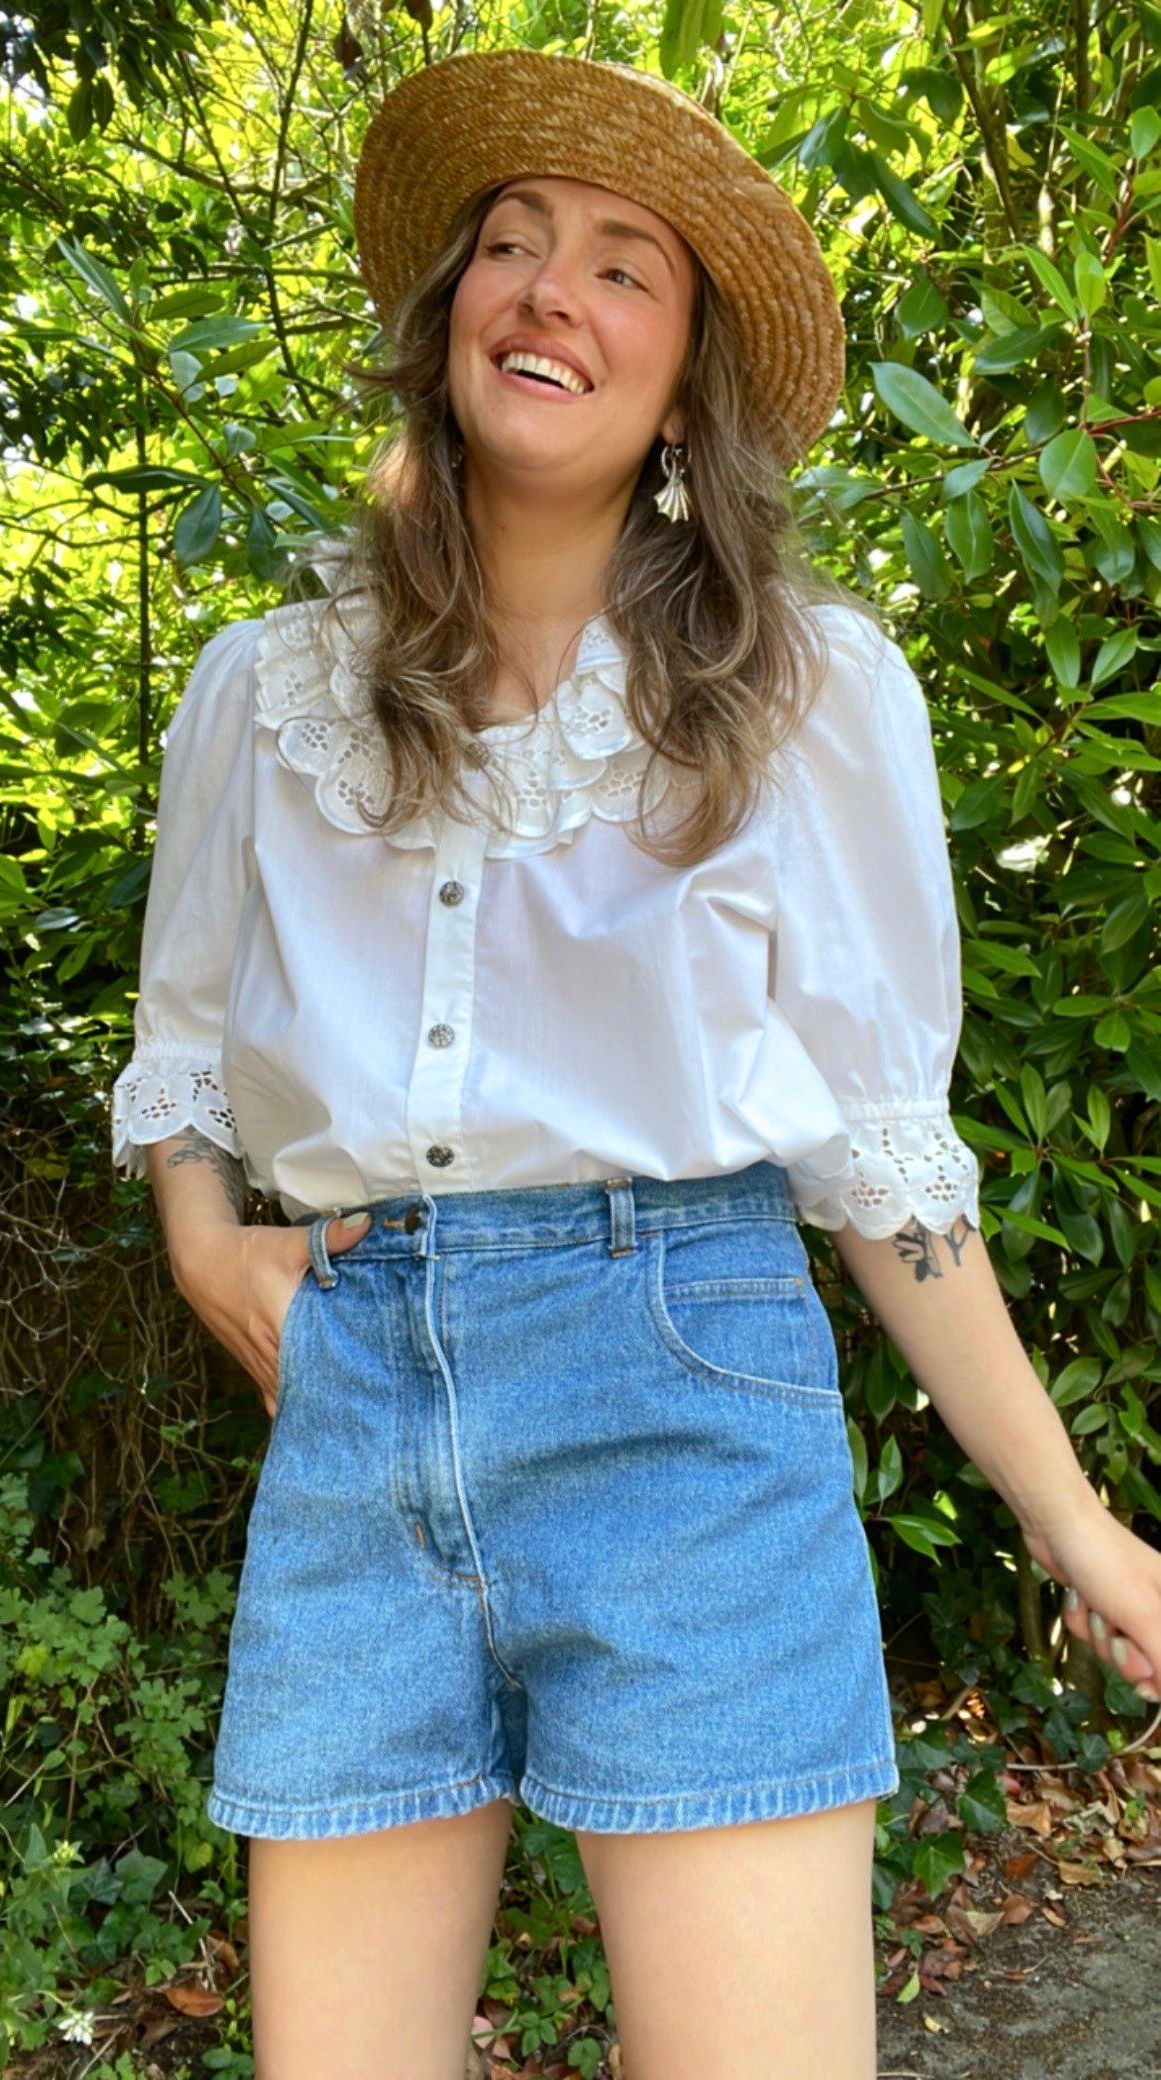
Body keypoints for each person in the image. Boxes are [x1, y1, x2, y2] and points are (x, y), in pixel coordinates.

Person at [111, 48, 1161, 2080]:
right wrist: (200, 1237)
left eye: (620, 268)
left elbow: (883, 1156)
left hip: (687, 1396)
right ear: (449, 322)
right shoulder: (264, 691)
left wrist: (1074, 1522)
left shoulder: (808, 698)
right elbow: (184, 1042)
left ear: (683, 391)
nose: (548, 292)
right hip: (362, 1409)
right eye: (511, 247)